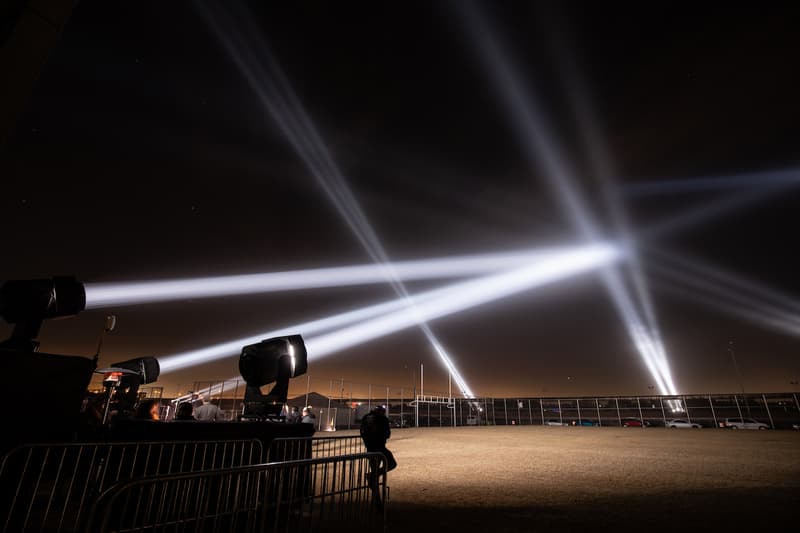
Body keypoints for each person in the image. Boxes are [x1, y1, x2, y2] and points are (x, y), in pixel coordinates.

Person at [360, 405, 397, 475]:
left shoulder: (365, 417)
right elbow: (387, 434)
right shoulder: (382, 418)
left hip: (369, 447)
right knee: (392, 464)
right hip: (380, 447)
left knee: (374, 467)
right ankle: (373, 476)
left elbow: (362, 432)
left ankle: (373, 478)